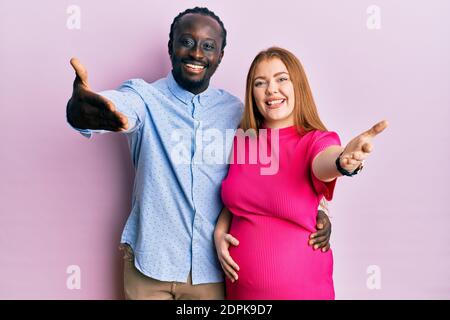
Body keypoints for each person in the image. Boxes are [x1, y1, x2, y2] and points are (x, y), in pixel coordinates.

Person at [66, 7, 332, 300]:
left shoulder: (238, 114)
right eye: (187, 41)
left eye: (208, 46)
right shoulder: (143, 97)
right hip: (149, 264)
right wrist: (83, 110)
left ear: (219, 55)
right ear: (171, 47)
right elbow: (115, 108)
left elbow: (282, 163)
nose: (196, 53)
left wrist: (319, 210)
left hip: (212, 270)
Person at [215, 47, 388, 300]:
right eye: (260, 83)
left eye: (281, 79)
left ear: (298, 85)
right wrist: (219, 233)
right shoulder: (245, 141)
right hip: (242, 295)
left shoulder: (315, 141)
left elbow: (326, 162)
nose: (271, 89)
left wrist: (344, 161)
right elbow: (237, 199)